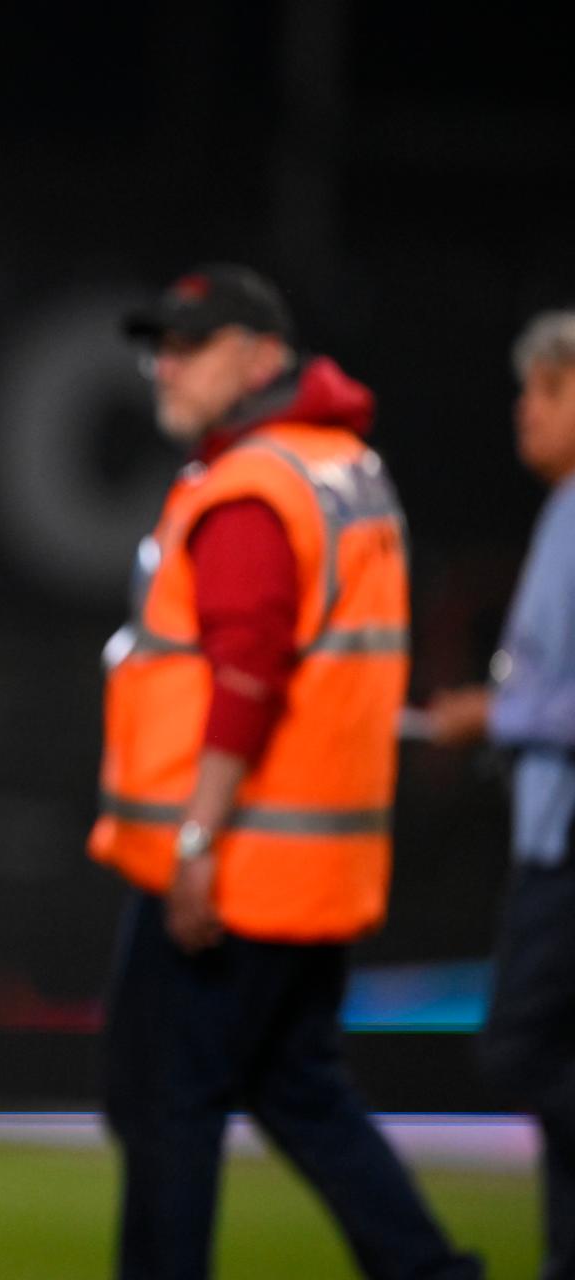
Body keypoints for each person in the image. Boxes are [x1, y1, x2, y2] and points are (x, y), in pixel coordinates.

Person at [89, 264, 482, 1279]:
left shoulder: (256, 486)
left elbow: (247, 674)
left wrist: (196, 839)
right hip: (312, 864)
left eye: (192, 343)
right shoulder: (339, 465)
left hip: (231, 871)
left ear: (262, 358)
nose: (165, 364)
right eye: (160, 343)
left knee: (167, 1106)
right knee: (297, 1088)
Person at [423, 310, 575, 1280]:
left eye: (544, 388)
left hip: (566, 850)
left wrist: (498, 715)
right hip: (548, 834)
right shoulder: (561, 509)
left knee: (518, 1051)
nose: (523, 408)